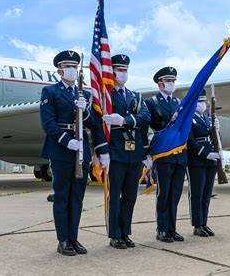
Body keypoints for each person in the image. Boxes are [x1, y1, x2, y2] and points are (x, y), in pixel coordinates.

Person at [40, 50, 109, 256]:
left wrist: (85, 111)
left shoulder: (85, 95)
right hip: (61, 150)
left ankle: (73, 238)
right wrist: (66, 140)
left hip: (81, 152)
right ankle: (62, 240)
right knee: (62, 196)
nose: (71, 70)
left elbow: (93, 124)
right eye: (67, 67)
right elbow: (48, 123)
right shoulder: (50, 92)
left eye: (74, 66)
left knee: (77, 197)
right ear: (60, 70)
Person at [101, 54, 151, 249]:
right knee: (115, 196)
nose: (123, 73)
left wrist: (124, 121)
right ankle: (115, 234)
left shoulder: (135, 96)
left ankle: (125, 232)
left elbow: (145, 118)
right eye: (119, 70)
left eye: (125, 70)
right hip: (115, 152)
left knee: (130, 196)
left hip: (135, 153)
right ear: (111, 72)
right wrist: (102, 152)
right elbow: (99, 124)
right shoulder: (106, 95)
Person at [142, 66, 187, 243]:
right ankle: (162, 229)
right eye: (168, 81)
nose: (171, 84)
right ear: (160, 84)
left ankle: (172, 228)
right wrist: (147, 153)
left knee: (175, 193)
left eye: (173, 81)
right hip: (162, 154)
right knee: (164, 193)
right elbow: (145, 129)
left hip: (179, 154)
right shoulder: (151, 103)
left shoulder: (179, 103)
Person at [186, 89, 220, 237]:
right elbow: (190, 141)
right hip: (197, 160)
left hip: (210, 161)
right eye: (199, 101)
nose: (202, 104)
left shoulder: (208, 119)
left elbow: (215, 139)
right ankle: (197, 224)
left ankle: (204, 223)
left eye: (203, 101)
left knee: (206, 194)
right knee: (197, 193)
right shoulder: (189, 119)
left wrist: (217, 129)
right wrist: (205, 154)